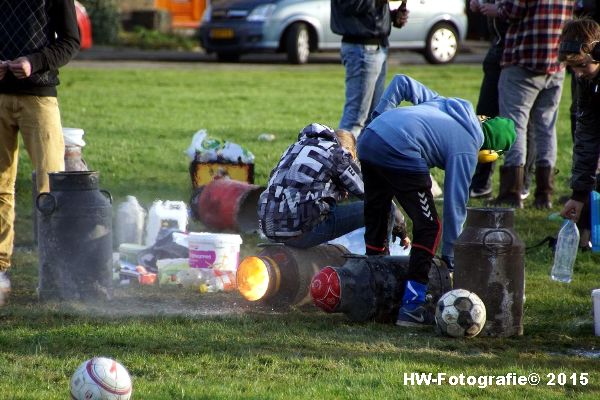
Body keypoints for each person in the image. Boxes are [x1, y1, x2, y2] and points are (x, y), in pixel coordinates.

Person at [357, 74, 516, 327]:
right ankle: (412, 306)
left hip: (369, 138)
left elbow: (402, 82)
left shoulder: (448, 104)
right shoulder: (469, 146)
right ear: (490, 153)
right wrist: (451, 259)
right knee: (430, 226)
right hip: (400, 148)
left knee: (378, 213)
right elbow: (455, 206)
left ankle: (370, 287)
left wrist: (377, 117)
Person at [0, 0, 81, 305]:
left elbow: (71, 41)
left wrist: (34, 62)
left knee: (51, 190)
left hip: (39, 98)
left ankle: (55, 275)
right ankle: (0, 274)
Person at [258, 123, 409, 249]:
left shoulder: (294, 148)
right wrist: (401, 230)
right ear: (351, 152)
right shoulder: (338, 154)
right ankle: (380, 264)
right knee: (385, 208)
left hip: (269, 228)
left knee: (332, 207)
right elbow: (373, 194)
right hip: (300, 233)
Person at [481, 0, 572, 209]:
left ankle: (512, 192)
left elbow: (513, 10)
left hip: (524, 59)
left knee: (516, 126)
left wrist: (495, 9)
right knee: (546, 128)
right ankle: (544, 195)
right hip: (556, 62)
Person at [331, 0, 409, 137]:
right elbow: (350, 5)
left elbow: (368, 13)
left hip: (375, 47)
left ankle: (359, 158)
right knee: (355, 121)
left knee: (373, 121)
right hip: (362, 49)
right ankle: (338, 157)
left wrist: (391, 16)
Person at [558, 19, 600, 234]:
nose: (578, 73)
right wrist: (579, 196)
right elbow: (586, 138)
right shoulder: (586, 81)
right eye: (571, 68)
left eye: (582, 65)